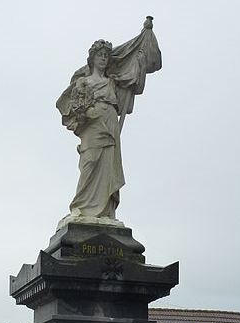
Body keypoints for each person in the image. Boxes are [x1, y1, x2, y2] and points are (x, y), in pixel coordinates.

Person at [56, 17, 161, 225]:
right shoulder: (83, 82)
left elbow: (133, 83)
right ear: (92, 59)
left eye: (106, 55)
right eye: (100, 55)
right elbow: (75, 109)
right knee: (90, 163)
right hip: (92, 126)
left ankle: (104, 211)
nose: (103, 59)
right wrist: (85, 114)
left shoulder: (112, 82)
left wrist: (140, 61)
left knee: (107, 167)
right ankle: (80, 207)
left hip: (110, 123)